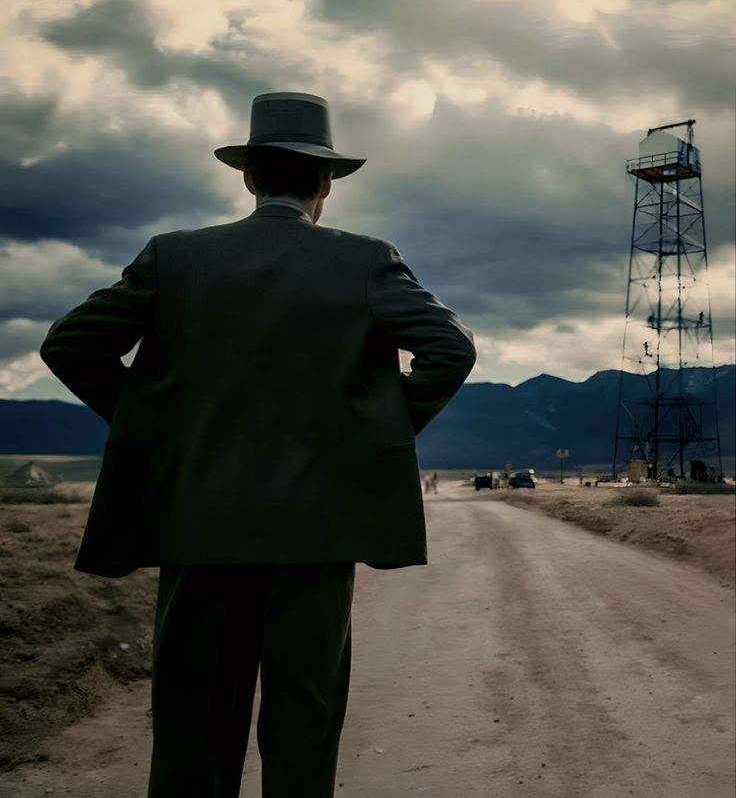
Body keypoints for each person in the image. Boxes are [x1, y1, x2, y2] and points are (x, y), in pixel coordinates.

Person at [40, 91, 476, 798]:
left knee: (191, 733)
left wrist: (160, 428)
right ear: (325, 182)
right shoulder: (366, 261)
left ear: (248, 176)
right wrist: (369, 436)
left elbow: (70, 343)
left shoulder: (173, 258)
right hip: (316, 538)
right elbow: (449, 348)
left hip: (197, 529)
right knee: (302, 730)